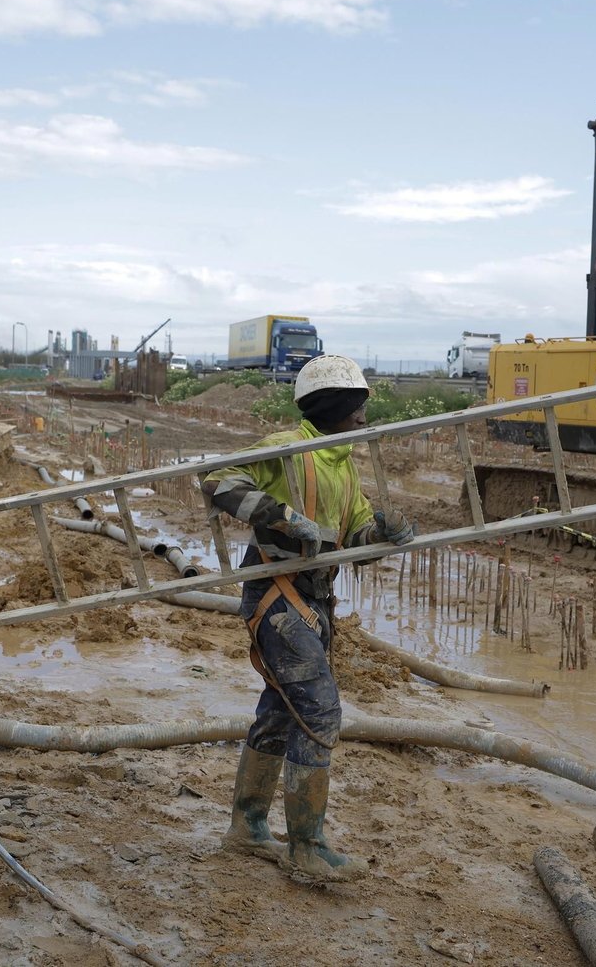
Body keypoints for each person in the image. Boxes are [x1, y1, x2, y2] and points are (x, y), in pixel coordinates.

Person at [201, 354, 415, 882]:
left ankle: (248, 827)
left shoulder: (344, 464)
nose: (364, 415)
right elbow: (216, 478)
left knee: (281, 711)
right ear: (333, 405)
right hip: (277, 596)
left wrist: (382, 535)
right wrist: (281, 517)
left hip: (315, 598)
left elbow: (356, 541)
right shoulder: (286, 449)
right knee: (318, 709)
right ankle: (306, 846)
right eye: (357, 405)